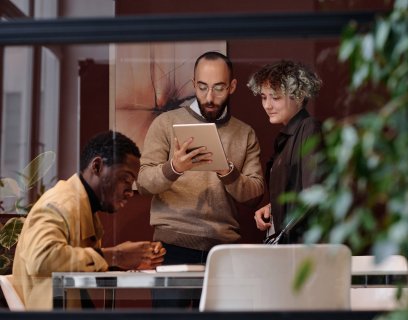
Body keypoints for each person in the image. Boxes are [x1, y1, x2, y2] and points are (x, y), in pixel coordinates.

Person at [12, 130, 166, 310]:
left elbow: (73, 264)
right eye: (125, 179)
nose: (129, 192)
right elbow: (42, 258)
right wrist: (117, 255)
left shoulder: (81, 205)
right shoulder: (60, 203)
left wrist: (129, 261)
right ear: (97, 166)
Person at [137, 51, 264, 264]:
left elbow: (254, 196)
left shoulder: (245, 133)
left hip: (223, 249)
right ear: (194, 84)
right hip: (171, 245)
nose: (209, 98)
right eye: (203, 87)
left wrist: (228, 172)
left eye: (219, 88)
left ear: (232, 87)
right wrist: (174, 168)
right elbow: (143, 184)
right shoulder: (165, 123)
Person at [247, 60, 324, 244]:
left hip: (302, 248)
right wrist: (273, 207)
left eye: (275, 97)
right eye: (264, 97)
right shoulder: (287, 137)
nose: (267, 105)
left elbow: (314, 193)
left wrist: (282, 235)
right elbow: (296, 189)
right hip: (290, 246)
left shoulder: (308, 128)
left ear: (298, 96)